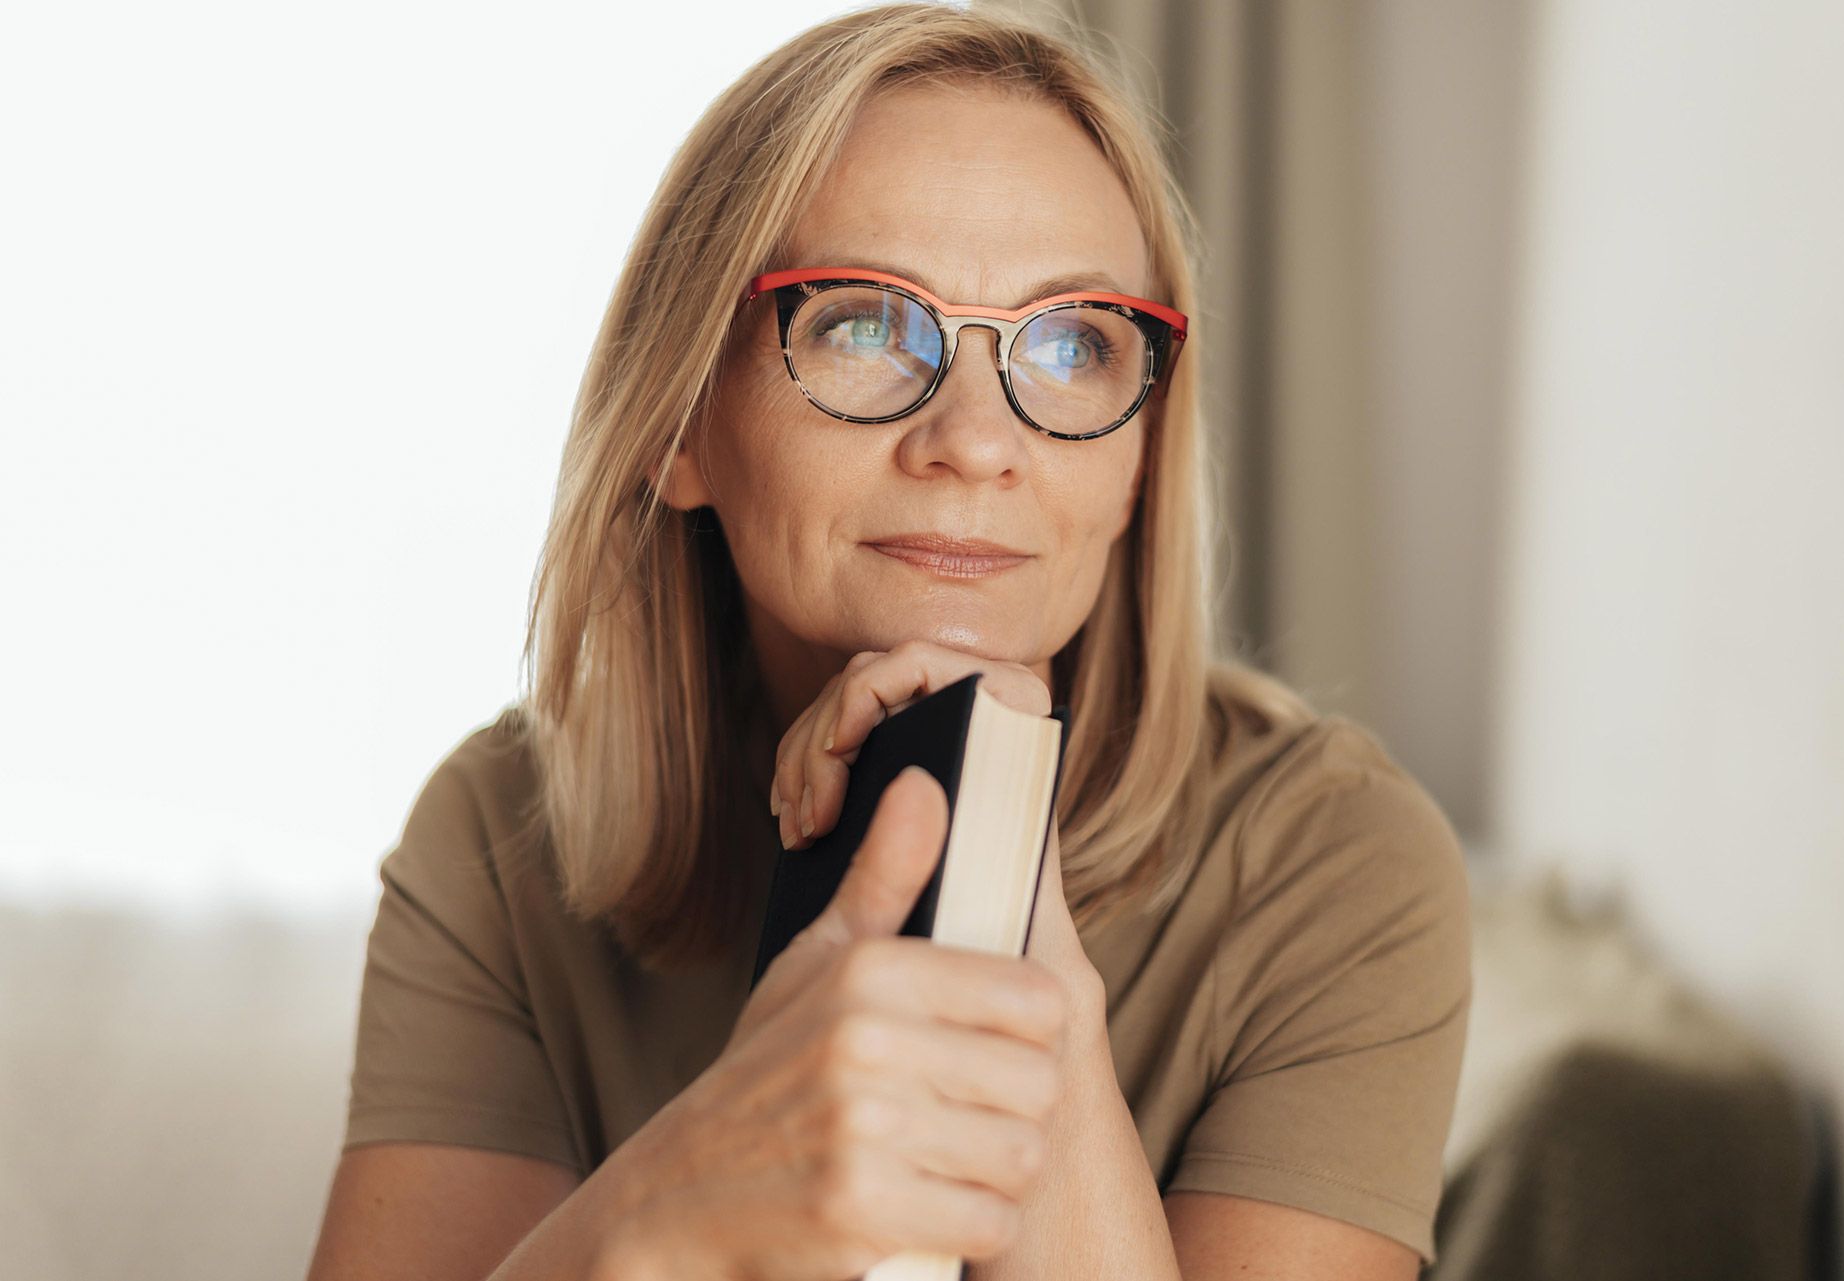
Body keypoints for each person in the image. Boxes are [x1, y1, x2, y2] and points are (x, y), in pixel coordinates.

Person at [305, 6, 1471, 1280]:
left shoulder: (1334, 865)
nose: (977, 440)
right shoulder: (500, 834)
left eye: (1076, 343)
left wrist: (1021, 959)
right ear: (681, 424)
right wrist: (687, 1194)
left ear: (1138, 461)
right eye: (864, 323)